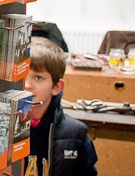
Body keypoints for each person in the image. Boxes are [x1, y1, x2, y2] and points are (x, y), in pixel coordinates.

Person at [24, 37, 98, 176]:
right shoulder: (2, 128)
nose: (27, 85)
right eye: (22, 76)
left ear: (56, 87)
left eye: (38, 78)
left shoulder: (75, 135)